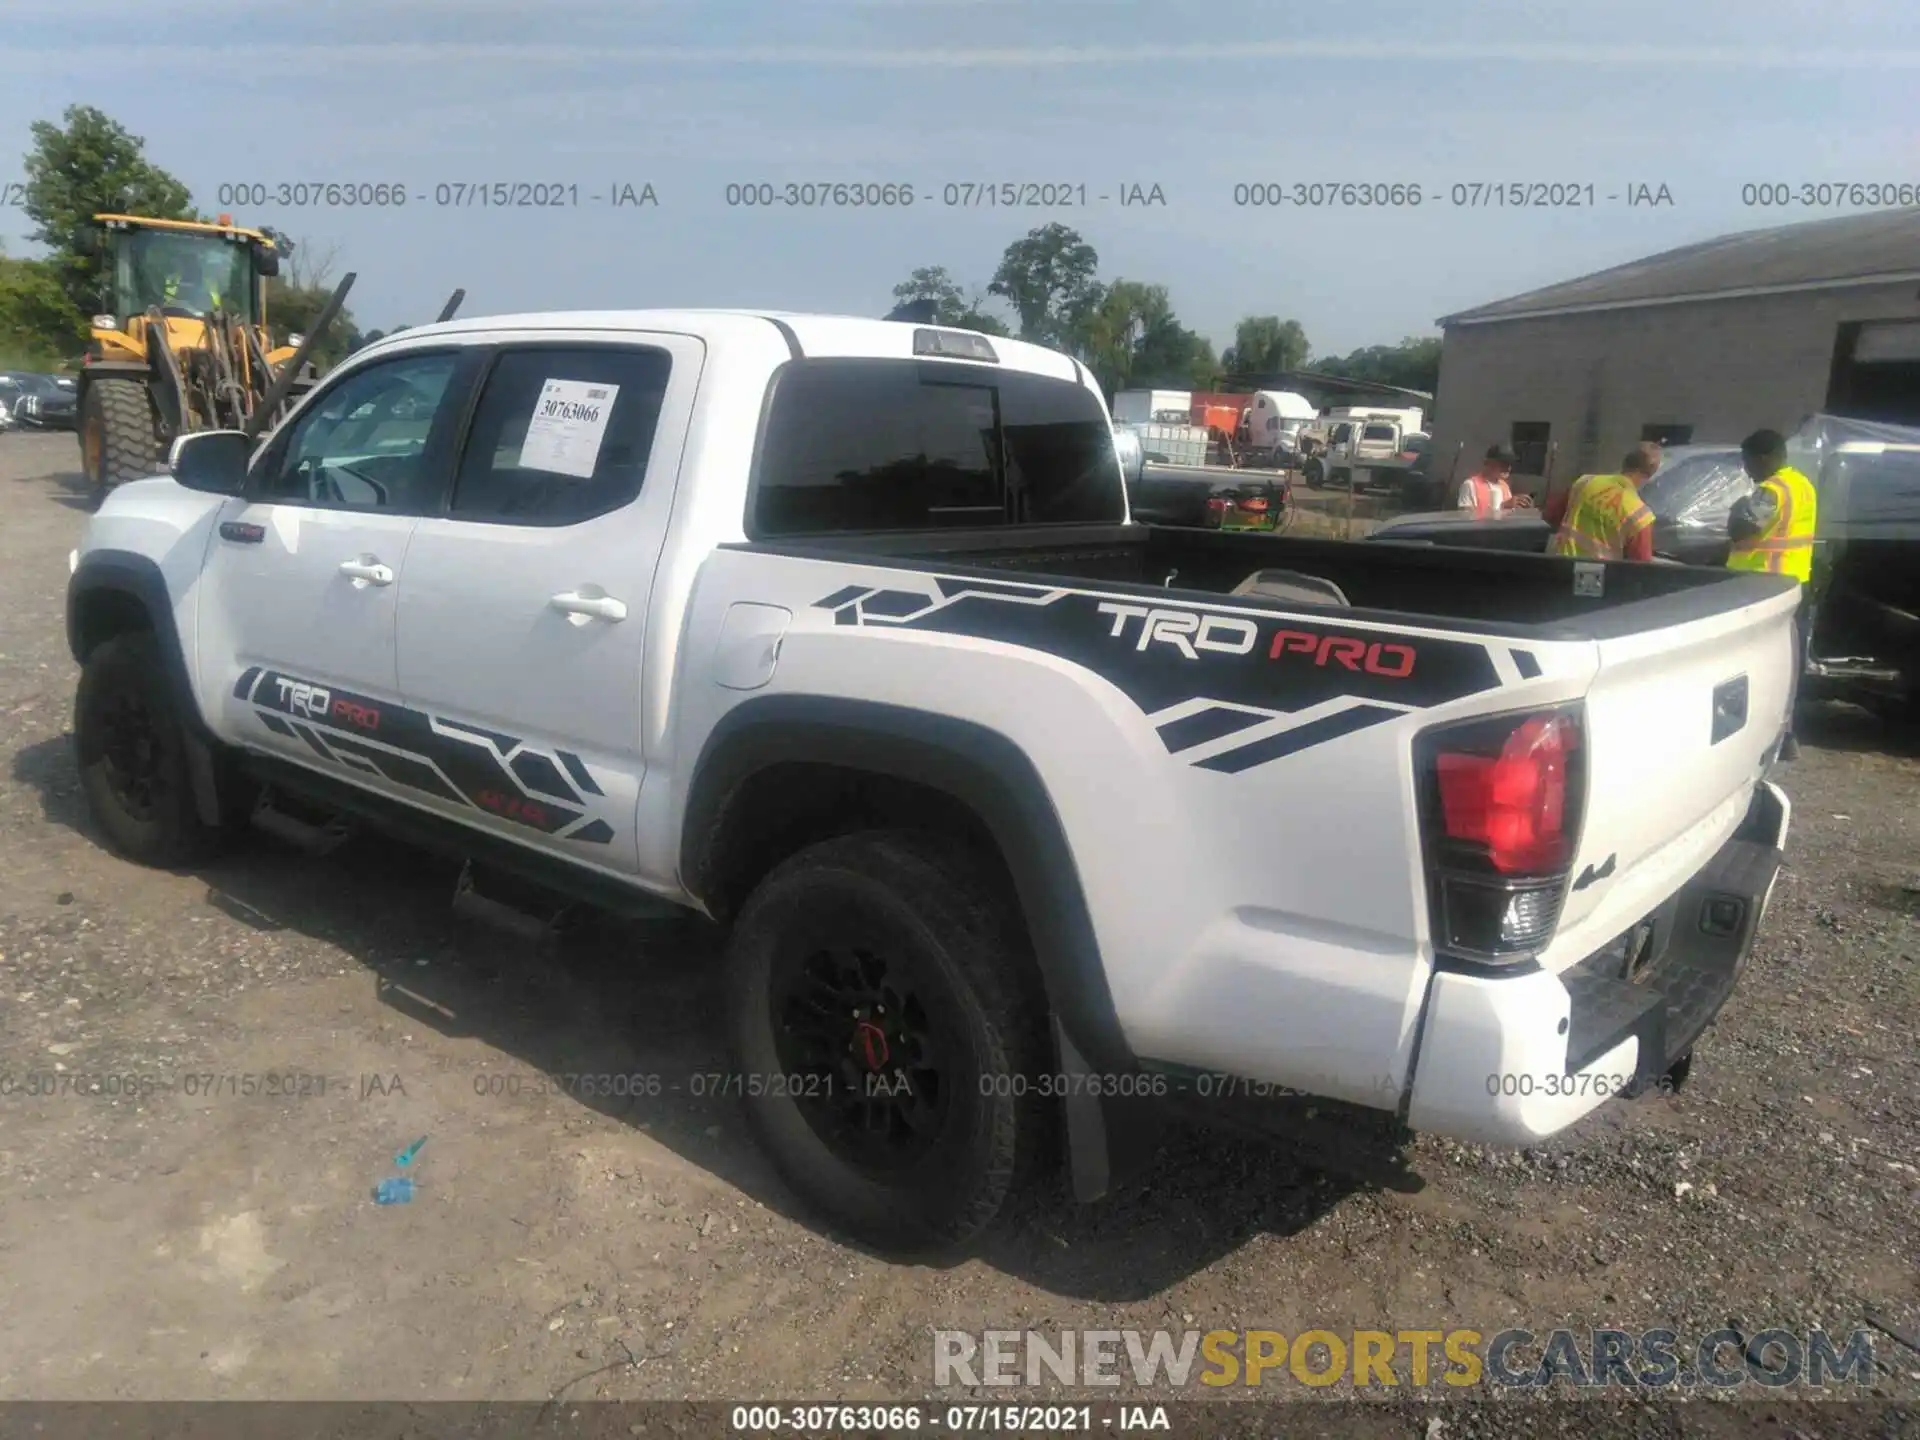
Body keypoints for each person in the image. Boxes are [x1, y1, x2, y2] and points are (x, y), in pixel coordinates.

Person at [1727, 428, 1818, 758]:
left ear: (1764, 458)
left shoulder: (1770, 491)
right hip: (1795, 583)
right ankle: (1787, 733)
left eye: (1748, 462)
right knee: (1788, 663)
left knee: (1753, 660)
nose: (1748, 470)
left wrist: (1737, 509)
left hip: (1762, 587)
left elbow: (1742, 530)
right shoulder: (1803, 486)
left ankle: (1759, 733)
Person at [1547, 444, 1660, 561]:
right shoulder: (1639, 515)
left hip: (1560, 567)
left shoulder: (1585, 482)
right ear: (1650, 474)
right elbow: (1641, 566)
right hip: (1599, 576)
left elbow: (1552, 516)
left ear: (1625, 463)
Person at [1456, 443, 1534, 516]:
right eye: (1503, 464)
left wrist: (1521, 507)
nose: (1508, 468)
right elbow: (1465, 518)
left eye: (1510, 464)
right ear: (1488, 463)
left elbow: (1508, 516)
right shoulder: (1470, 485)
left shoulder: (1504, 486)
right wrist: (1503, 506)